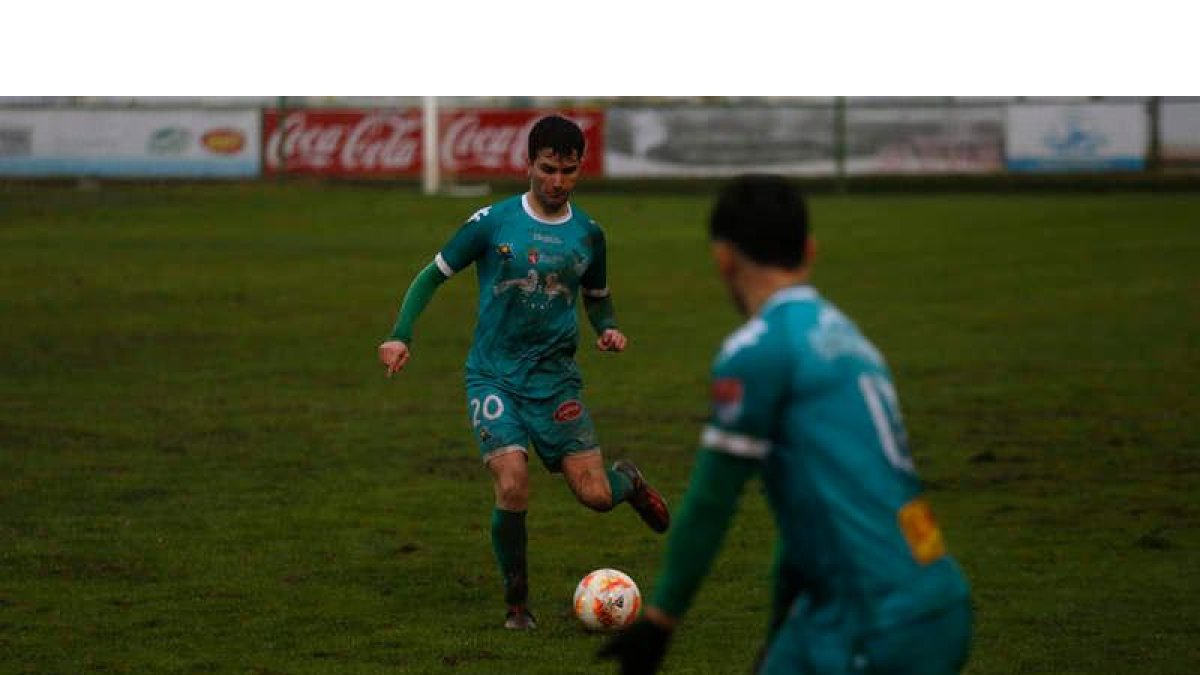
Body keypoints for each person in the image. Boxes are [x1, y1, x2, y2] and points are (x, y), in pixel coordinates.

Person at [600, 175, 971, 674]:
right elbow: (804, 517)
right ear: (810, 250)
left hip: (874, 618)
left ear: (723, 258)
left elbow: (712, 501)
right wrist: (778, 638)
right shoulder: (851, 340)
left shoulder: (756, 352)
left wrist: (661, 619)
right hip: (929, 590)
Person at [378, 114, 671, 631]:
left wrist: (609, 329)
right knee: (512, 483)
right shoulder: (491, 223)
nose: (557, 182)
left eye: (569, 171)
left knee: (597, 497)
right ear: (528, 164)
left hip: (555, 382)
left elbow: (598, 299)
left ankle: (629, 481)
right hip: (494, 378)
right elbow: (432, 275)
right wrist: (401, 333)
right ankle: (517, 604)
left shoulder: (589, 235)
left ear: (580, 169)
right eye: (548, 169)